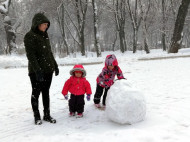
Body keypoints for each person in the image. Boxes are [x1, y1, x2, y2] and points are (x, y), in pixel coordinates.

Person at [24, 12, 59, 125]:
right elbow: (31, 55)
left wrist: (55, 65)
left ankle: (47, 115)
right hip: (36, 71)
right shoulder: (29, 36)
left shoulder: (45, 35)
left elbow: (49, 52)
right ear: (37, 24)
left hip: (48, 70)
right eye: (44, 24)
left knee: (46, 92)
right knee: (36, 93)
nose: (46, 26)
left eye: (47, 24)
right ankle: (36, 116)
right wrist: (37, 70)